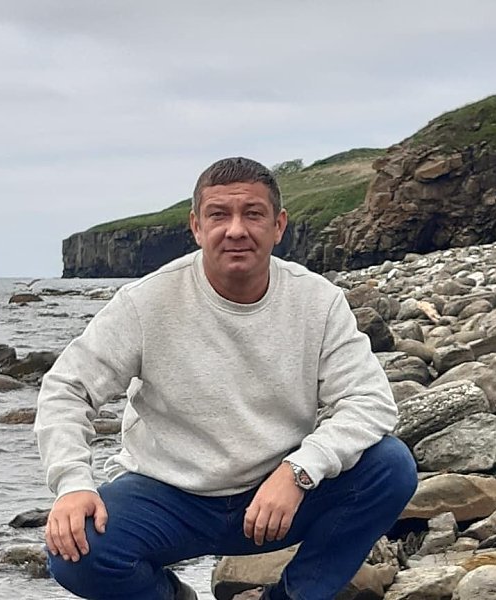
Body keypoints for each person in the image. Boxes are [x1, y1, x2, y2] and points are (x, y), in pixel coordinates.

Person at [35, 157, 418, 600]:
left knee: (390, 467)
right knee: (75, 551)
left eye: (253, 214)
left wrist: (299, 471)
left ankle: (294, 596)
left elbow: (370, 401)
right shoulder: (145, 302)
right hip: (168, 497)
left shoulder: (318, 301)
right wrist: (73, 484)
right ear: (196, 227)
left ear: (278, 225)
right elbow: (67, 388)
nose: (236, 230)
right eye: (219, 215)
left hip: (277, 496)